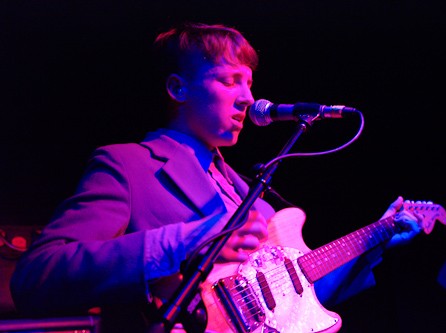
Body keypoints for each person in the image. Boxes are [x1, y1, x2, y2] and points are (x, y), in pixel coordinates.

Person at [10, 22, 421, 333]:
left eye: (249, 84)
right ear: (178, 88)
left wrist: (378, 238)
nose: (248, 97)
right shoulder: (128, 166)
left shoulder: (253, 200)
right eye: (229, 81)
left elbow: (294, 308)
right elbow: (36, 277)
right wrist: (182, 242)